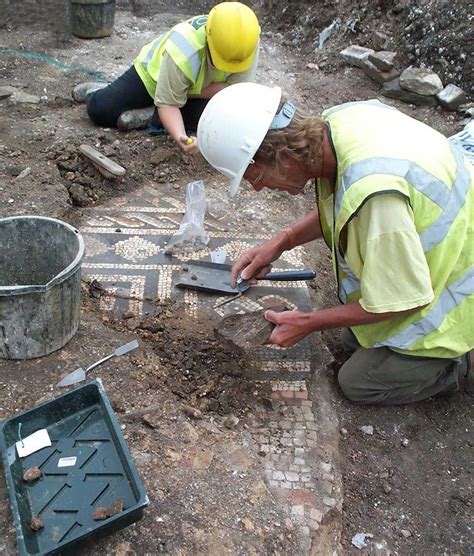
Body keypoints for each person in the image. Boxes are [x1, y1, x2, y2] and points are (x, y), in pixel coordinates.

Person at [197, 82, 473, 405]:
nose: (259, 190)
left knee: (356, 382)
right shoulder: (336, 126)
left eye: (256, 178)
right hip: (440, 248)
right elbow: (343, 205)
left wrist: (309, 323)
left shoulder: (376, 198)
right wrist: (283, 241)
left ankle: (459, 364)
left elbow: (402, 300)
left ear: (282, 155)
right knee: (351, 337)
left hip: (456, 293)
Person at [84, 2, 260, 154]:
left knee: (212, 124)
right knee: (100, 109)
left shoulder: (246, 43)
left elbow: (236, 93)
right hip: (154, 79)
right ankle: (101, 90)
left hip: (196, 90)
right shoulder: (183, 50)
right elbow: (169, 103)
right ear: (209, 37)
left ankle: (152, 114)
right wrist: (180, 137)